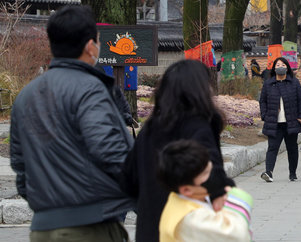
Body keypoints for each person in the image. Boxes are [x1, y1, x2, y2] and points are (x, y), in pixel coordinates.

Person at [10, 6, 134, 241]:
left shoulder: (26, 96)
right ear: (90, 46)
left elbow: (20, 166)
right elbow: (113, 154)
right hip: (90, 226)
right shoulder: (91, 90)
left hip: (42, 227)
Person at [121, 60, 235, 241]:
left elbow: (129, 179)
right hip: (186, 228)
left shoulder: (150, 128)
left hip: (151, 229)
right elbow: (212, 174)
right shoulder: (199, 127)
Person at [158, 140, 252, 242]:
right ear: (186, 190)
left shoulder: (180, 198)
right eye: (206, 173)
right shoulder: (191, 218)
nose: (214, 175)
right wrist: (236, 196)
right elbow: (237, 236)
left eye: (211, 168)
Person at [259, 57, 301, 182]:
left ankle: (292, 173)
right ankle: (268, 172)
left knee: (292, 148)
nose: (280, 66)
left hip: (290, 121)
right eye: (278, 65)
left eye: (282, 64)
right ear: (274, 68)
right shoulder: (268, 84)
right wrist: (265, 115)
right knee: (272, 148)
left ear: (287, 67)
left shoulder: (294, 82)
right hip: (274, 122)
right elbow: (262, 101)